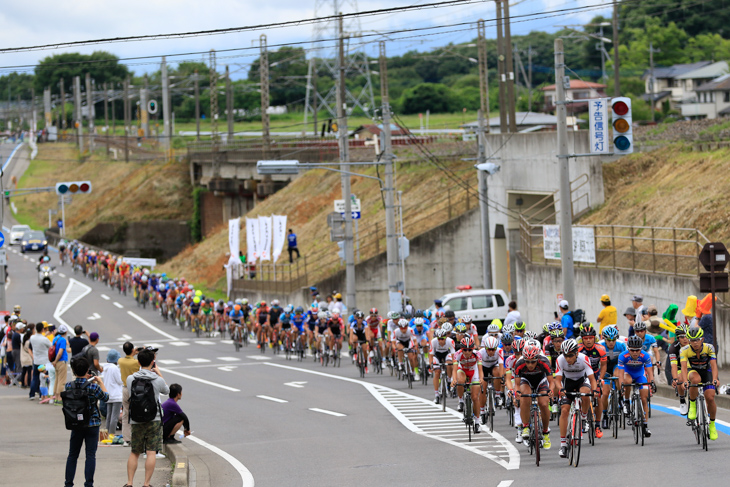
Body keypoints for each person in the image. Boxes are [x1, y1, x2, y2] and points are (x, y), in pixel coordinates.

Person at [125, 349, 169, 487]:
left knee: (135, 452)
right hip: (154, 419)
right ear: (152, 362)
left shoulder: (131, 378)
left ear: (138, 362)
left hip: (136, 419)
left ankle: (130, 482)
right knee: (151, 452)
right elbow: (166, 391)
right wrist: (159, 373)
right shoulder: (157, 379)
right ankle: (146, 483)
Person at [64, 357, 109, 487]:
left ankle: (68, 483)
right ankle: (88, 483)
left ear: (73, 371)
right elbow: (106, 397)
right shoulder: (93, 386)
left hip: (75, 423)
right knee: (90, 455)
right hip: (92, 423)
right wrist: (100, 382)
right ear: (87, 370)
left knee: (72, 455)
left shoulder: (68, 386)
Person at [681, 326, 719, 441]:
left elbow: (713, 365)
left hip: (707, 371)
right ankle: (692, 404)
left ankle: (712, 424)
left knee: (710, 397)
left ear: (702, 339)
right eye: (692, 340)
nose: (695, 342)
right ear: (689, 340)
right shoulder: (684, 350)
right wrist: (685, 381)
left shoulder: (709, 348)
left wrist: (715, 379)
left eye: (697, 339)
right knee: (695, 380)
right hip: (693, 372)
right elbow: (683, 367)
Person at [118, 342, 141, 448]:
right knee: (137, 413)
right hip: (135, 389)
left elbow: (128, 359)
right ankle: (137, 437)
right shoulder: (136, 362)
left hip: (125, 388)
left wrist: (132, 353)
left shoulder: (120, 361)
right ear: (133, 350)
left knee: (126, 414)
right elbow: (141, 363)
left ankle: (126, 439)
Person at [102, 349, 123, 437]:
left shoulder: (105, 368)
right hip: (116, 395)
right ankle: (111, 434)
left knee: (109, 416)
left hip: (108, 395)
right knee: (115, 416)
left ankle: (106, 434)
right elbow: (120, 381)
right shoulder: (114, 368)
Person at [29, 322, 51, 400]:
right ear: (42, 329)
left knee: (35, 378)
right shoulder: (45, 339)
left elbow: (38, 339)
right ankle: (42, 395)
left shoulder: (32, 338)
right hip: (44, 361)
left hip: (36, 360)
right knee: (44, 380)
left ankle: (32, 394)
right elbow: (51, 346)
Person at [53, 325, 71, 404]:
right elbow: (60, 352)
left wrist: (54, 361)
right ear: (66, 332)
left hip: (56, 362)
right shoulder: (63, 340)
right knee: (62, 381)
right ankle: (59, 398)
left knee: (57, 380)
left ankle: (55, 397)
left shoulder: (55, 338)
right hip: (61, 361)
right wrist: (56, 360)